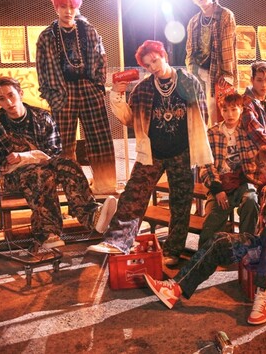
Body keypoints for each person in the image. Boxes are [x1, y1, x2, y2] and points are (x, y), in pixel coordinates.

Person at [144, 144, 266, 325]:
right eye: (262, 166)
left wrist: (257, 246)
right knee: (221, 240)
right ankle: (176, 287)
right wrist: (247, 247)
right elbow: (261, 229)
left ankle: (263, 295)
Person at [87, 40, 213, 267]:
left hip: (182, 152)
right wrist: (117, 95)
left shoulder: (188, 81)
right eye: (148, 64)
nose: (153, 67)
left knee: (181, 202)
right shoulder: (143, 88)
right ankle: (117, 241)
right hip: (152, 152)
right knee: (133, 195)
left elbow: (202, 117)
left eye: (155, 60)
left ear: (164, 56)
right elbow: (128, 120)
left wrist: (200, 153)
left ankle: (173, 250)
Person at [0, 76, 117, 249]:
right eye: (1, 99)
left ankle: (91, 216)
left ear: (20, 93)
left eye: (11, 95)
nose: (8, 102)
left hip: (45, 168)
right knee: (41, 174)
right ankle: (48, 233)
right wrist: (16, 162)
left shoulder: (42, 117)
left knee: (68, 164)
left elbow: (54, 152)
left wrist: (26, 156)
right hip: (13, 179)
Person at [36, 0, 116, 195]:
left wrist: (97, 85)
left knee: (99, 139)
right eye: (63, 6)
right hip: (62, 89)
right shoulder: (46, 36)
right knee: (63, 143)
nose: (68, 11)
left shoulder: (88, 30)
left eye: (72, 6)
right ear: (56, 8)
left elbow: (101, 57)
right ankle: (70, 188)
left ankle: (105, 185)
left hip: (88, 86)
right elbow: (41, 69)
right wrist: (52, 95)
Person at [198, 92, 261, 248]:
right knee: (212, 220)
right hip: (219, 183)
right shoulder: (212, 133)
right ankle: (207, 253)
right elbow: (206, 164)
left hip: (243, 182)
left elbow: (257, 159)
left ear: (241, 109)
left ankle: (246, 246)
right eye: (225, 110)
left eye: (234, 109)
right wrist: (217, 189)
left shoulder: (248, 132)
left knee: (251, 201)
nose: (229, 114)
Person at [186, 0, 237, 124]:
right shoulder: (193, 21)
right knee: (200, 114)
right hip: (198, 72)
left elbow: (227, 46)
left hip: (217, 71)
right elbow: (189, 49)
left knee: (217, 114)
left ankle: (216, 139)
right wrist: (191, 70)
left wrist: (227, 74)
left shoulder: (225, 15)